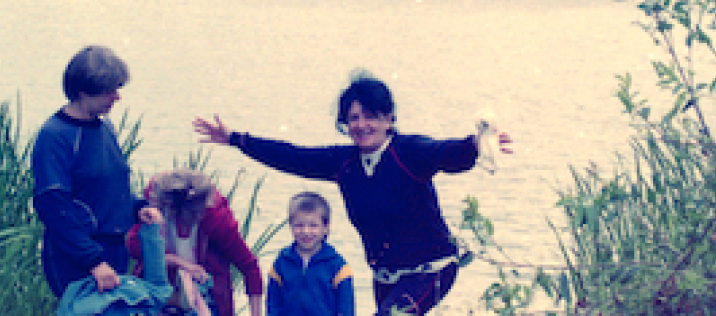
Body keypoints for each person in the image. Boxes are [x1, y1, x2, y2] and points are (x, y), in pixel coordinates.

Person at [194, 71, 513, 316]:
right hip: (386, 276)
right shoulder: (344, 163)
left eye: (371, 116)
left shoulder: (409, 152)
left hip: (432, 269)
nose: (361, 125)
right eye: (353, 118)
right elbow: (292, 156)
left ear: (389, 119)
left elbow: (444, 153)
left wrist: (476, 145)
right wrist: (236, 139)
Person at [31, 45, 161, 298]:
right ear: (83, 91)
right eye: (109, 91)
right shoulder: (55, 136)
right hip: (77, 258)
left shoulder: (105, 127)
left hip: (114, 250)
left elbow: (107, 187)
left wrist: (137, 208)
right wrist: (93, 261)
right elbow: (54, 206)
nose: (117, 97)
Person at [127, 168, 264, 316]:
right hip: (158, 295)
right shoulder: (152, 206)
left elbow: (249, 267)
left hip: (206, 300)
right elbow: (135, 248)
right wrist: (179, 263)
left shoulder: (217, 218)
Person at [266, 191, 355, 316]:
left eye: (313, 226)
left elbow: (346, 310)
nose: (306, 232)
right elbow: (273, 305)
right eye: (299, 225)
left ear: (326, 227)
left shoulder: (338, 267)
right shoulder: (281, 263)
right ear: (291, 225)